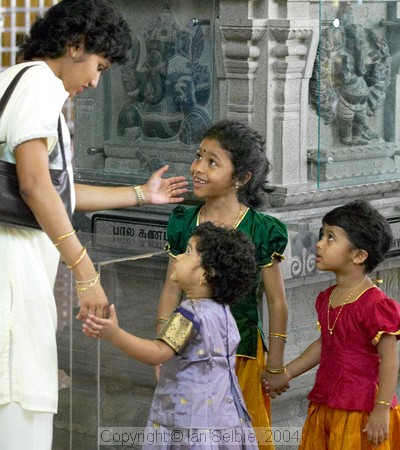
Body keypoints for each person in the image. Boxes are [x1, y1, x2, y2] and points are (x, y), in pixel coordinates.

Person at [0, 1, 188, 449]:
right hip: (14, 271)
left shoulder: (13, 80)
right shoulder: (42, 83)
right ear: (75, 45)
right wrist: (85, 273)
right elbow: (32, 185)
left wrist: (142, 194)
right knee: (20, 407)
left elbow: (52, 191)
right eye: (98, 66)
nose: (94, 81)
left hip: (15, 262)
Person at [155, 119, 289, 446]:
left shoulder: (261, 229)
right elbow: (171, 289)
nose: (198, 167)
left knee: (245, 430)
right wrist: (162, 348)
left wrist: (275, 362)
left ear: (241, 179)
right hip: (189, 353)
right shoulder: (184, 221)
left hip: (242, 353)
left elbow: (276, 301)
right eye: (199, 156)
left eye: (212, 162)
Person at [83, 222, 260, 449]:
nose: (178, 257)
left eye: (188, 252)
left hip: (186, 423)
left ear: (207, 273)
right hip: (223, 419)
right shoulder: (223, 312)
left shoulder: (189, 314)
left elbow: (157, 353)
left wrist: (115, 334)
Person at [267, 200, 400, 449]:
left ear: (358, 255)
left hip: (360, 410)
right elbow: (325, 344)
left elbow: (390, 359)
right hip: (327, 401)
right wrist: (286, 373)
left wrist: (381, 409)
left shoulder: (375, 304)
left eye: (330, 237)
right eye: (322, 234)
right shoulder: (327, 297)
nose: (318, 243)